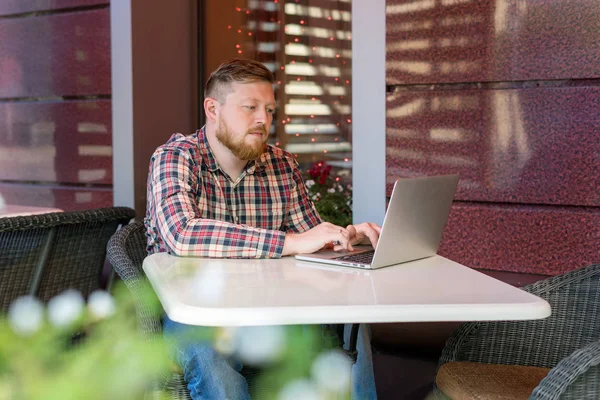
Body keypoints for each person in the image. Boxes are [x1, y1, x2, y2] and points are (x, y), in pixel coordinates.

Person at [145, 58, 381, 399]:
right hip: (197, 311)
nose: (263, 120)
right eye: (250, 107)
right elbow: (182, 233)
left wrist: (345, 238)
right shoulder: (176, 157)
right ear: (213, 109)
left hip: (272, 307)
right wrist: (290, 241)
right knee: (207, 354)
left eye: (269, 110)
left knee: (351, 325)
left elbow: (311, 238)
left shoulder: (281, 164)